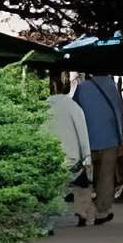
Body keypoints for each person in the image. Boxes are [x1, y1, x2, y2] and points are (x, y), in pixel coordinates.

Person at [70, 68, 123, 222]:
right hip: (110, 139)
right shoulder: (113, 87)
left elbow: (75, 111)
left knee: (84, 176)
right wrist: (122, 137)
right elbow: (120, 113)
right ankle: (102, 212)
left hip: (87, 140)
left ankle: (82, 211)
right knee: (106, 177)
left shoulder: (82, 88)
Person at [43, 74, 92, 223]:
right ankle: (81, 213)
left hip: (49, 157)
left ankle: (48, 221)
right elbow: (82, 133)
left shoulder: (42, 107)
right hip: (71, 159)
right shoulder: (74, 107)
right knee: (83, 185)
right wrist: (87, 156)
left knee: (51, 189)